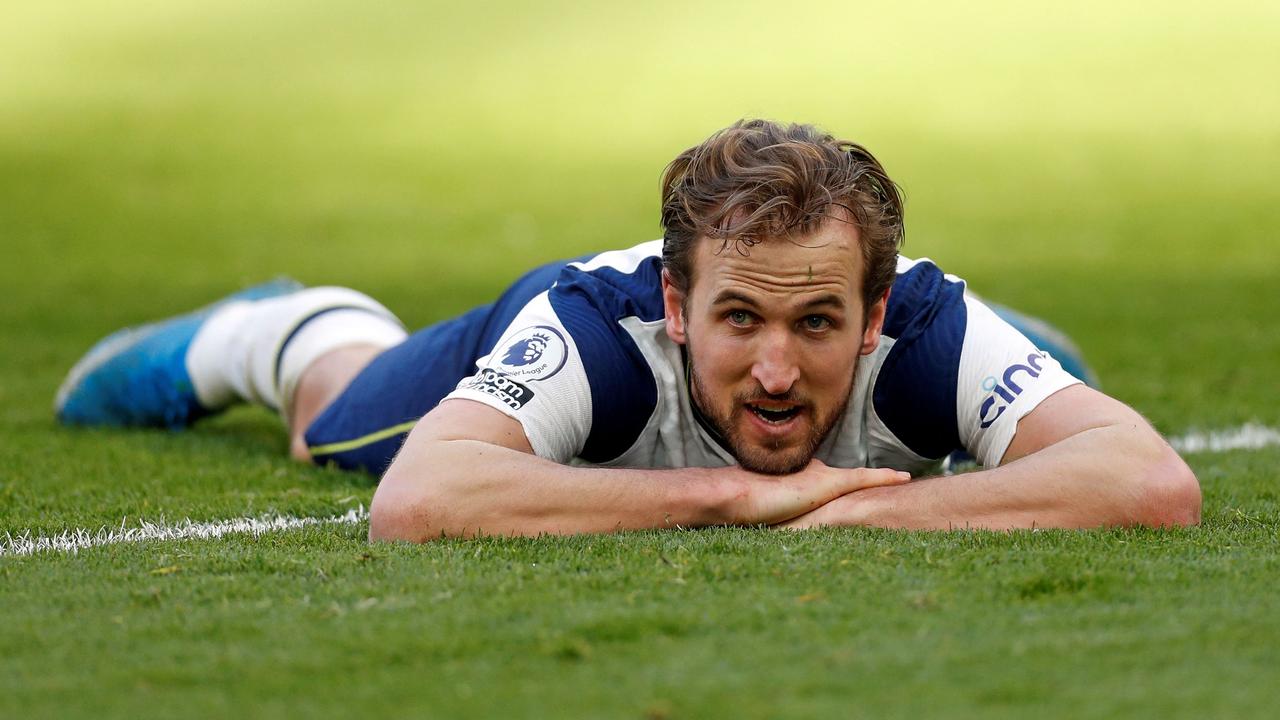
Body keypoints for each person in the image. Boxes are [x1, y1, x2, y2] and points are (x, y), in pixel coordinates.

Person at [55, 119, 1201, 540]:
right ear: (673, 304)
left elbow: (1147, 482)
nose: (770, 368)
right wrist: (738, 497)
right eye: (737, 316)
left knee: (1022, 385)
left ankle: (1022, 356)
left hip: (938, 336)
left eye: (815, 323)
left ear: (868, 320)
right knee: (336, 432)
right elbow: (417, 500)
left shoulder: (923, 326)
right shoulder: (598, 337)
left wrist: (854, 524)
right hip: (525, 332)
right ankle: (290, 329)